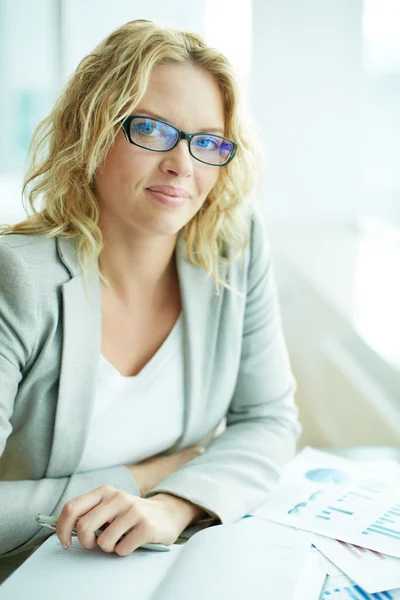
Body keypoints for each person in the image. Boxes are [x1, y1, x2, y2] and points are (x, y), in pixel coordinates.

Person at [0, 19, 301, 580]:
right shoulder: (16, 280)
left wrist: (172, 504)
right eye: (152, 130)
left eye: (208, 141)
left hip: (177, 567)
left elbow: (267, 419)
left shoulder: (232, 246)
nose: (182, 165)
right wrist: (141, 476)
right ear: (92, 133)